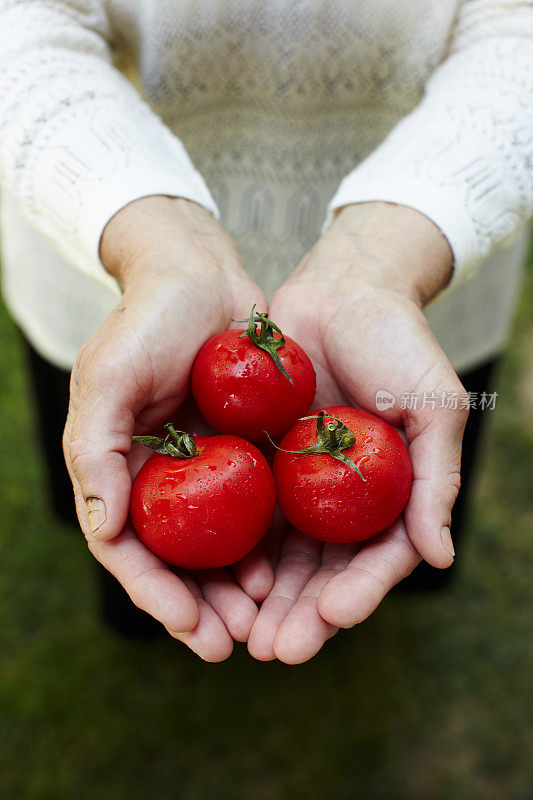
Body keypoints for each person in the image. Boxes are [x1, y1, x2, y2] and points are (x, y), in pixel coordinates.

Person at [0, 1, 531, 664]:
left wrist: (390, 254)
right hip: (123, 262)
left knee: (414, 457)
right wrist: (155, 240)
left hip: (416, 267)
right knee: (114, 479)